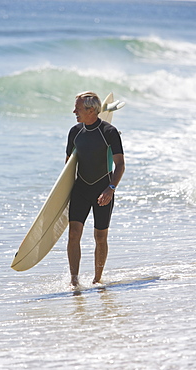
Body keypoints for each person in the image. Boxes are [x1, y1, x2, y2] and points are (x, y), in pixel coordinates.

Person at [65, 91, 125, 287]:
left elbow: (120, 165)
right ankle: (74, 280)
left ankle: (97, 280)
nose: (74, 111)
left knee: (100, 236)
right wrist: (63, 196)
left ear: (91, 110)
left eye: (78, 108)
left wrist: (110, 189)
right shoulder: (75, 132)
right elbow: (67, 167)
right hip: (80, 189)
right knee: (74, 233)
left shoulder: (109, 131)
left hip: (102, 189)